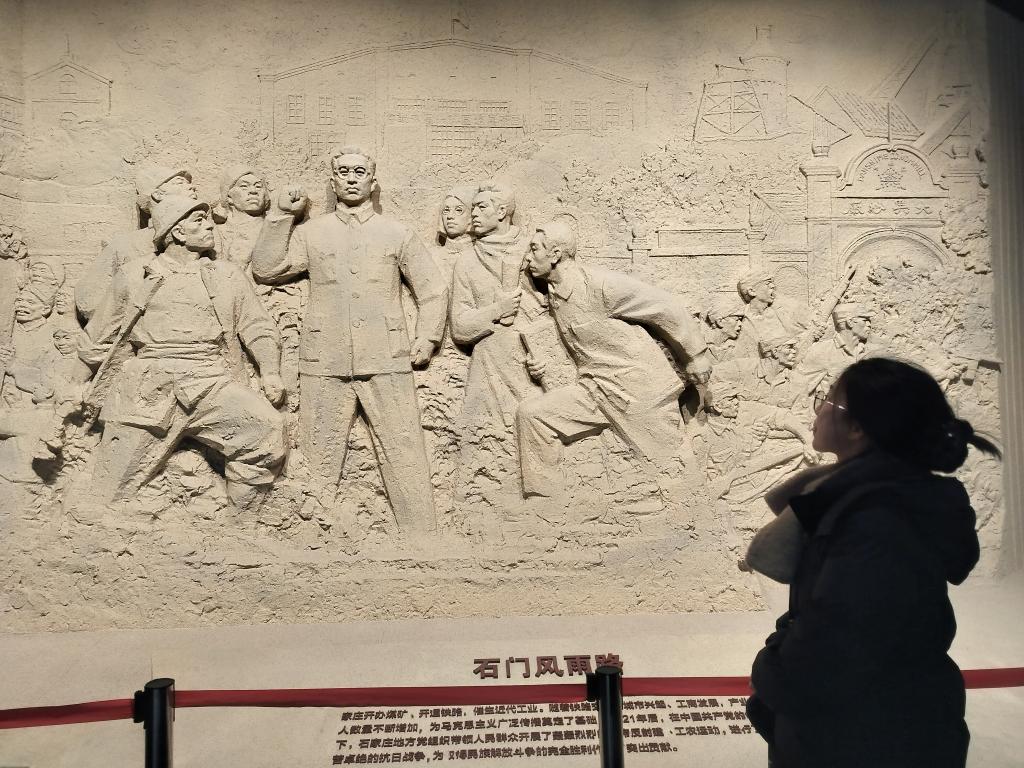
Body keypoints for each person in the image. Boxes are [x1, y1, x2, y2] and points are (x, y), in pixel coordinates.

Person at [744, 356, 1000, 768]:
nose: (818, 411)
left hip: (864, 741)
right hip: (874, 730)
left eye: (829, 401)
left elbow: (828, 654)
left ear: (858, 428)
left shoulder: (877, 523)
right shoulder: (867, 503)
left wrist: (769, 665)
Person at [251, 145, 447, 532]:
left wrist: (427, 338)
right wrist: (281, 216)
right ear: (333, 182)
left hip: (387, 356)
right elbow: (267, 268)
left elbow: (432, 290)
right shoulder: (312, 233)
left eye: (360, 172)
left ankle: (423, 535)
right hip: (325, 358)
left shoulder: (396, 233)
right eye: (344, 172)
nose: (352, 179)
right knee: (317, 456)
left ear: (373, 182)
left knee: (404, 450)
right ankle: (312, 536)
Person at [80, 196, 286, 513]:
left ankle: (241, 524)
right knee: (107, 494)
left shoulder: (227, 275)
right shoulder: (135, 275)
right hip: (147, 387)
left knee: (266, 430)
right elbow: (99, 335)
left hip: (210, 381)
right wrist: (73, 385)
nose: (210, 226)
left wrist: (270, 371)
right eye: (199, 221)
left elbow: (257, 326)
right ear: (177, 232)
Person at [517, 217, 711, 497]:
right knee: (533, 415)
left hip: (639, 393)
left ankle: (698, 514)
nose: (527, 257)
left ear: (556, 254)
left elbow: (665, 305)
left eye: (534, 249)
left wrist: (695, 355)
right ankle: (547, 504)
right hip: (594, 390)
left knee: (677, 475)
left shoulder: (600, 285)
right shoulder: (554, 294)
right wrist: (545, 367)